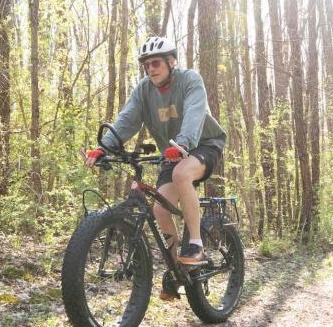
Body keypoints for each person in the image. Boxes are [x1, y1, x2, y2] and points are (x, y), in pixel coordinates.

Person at [84, 35, 228, 299]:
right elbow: (127, 120)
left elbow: (195, 113)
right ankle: (177, 272)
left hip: (203, 144)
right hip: (172, 154)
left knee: (182, 173)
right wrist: (103, 148)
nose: (151, 68)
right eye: (147, 64)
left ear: (171, 62)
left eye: (156, 62)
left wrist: (183, 143)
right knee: (160, 209)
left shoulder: (190, 80)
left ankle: (196, 243)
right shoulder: (144, 90)